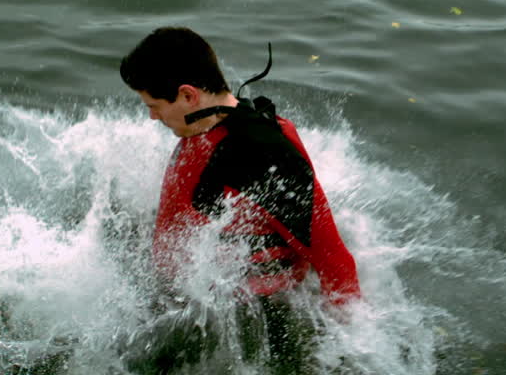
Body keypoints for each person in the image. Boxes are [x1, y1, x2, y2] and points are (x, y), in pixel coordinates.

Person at [119, 27, 360, 373]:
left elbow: (336, 263)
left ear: (188, 96)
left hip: (248, 317)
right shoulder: (205, 127)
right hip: (184, 298)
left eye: (155, 106)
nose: (152, 117)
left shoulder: (264, 157)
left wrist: (350, 357)